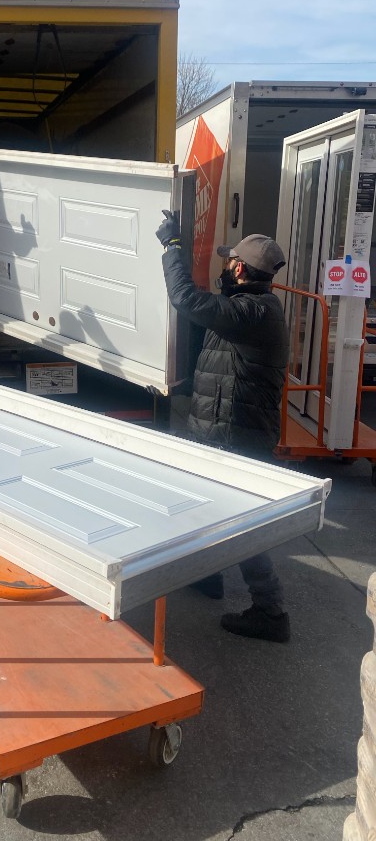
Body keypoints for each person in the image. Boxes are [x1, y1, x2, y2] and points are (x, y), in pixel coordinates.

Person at [156, 213, 292, 643]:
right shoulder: (251, 307)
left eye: (227, 261)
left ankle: (270, 612)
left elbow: (186, 300)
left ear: (238, 268)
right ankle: (210, 577)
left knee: (245, 525)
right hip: (226, 425)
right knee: (208, 506)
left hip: (238, 432)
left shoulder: (253, 311)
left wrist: (172, 248)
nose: (223, 267)